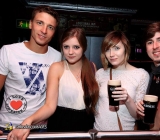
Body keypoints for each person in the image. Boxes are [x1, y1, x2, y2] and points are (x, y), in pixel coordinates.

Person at [8, 27, 99, 139]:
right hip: (62, 125)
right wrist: (27, 122)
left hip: (87, 127)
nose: (70, 52)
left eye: (76, 47)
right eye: (66, 47)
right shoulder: (57, 68)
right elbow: (49, 106)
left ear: (84, 47)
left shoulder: (92, 67)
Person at [0, 4, 61, 135]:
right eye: (40, 23)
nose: (44, 30)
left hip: (39, 128)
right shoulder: (8, 51)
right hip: (8, 127)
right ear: (30, 24)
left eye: (50, 27)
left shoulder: (57, 57)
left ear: (54, 32)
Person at [94, 30, 149, 131]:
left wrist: (127, 99)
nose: (111, 54)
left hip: (124, 134)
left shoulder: (141, 74)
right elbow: (96, 107)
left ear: (126, 48)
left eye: (117, 48)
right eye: (107, 50)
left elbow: (138, 116)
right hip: (99, 132)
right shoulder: (100, 73)